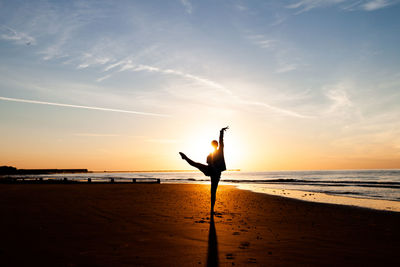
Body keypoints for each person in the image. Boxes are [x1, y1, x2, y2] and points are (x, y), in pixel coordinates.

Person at [179, 126, 228, 214]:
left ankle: (212, 210)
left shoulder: (219, 151)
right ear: (213, 145)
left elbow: (221, 142)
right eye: (214, 144)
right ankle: (185, 158)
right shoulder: (210, 154)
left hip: (215, 173)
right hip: (211, 171)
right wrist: (211, 166)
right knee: (196, 164)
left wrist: (221, 132)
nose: (215, 145)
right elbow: (208, 162)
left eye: (215, 144)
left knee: (213, 191)